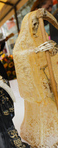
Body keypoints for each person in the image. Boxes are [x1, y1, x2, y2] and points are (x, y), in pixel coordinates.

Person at [13, 8, 58, 147]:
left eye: (37, 25)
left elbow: (53, 57)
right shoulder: (23, 43)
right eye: (33, 25)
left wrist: (53, 49)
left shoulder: (41, 38)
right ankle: (44, 135)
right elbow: (18, 55)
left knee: (52, 106)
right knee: (43, 107)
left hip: (48, 79)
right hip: (37, 83)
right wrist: (36, 51)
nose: (36, 27)